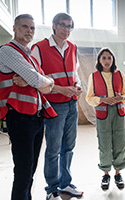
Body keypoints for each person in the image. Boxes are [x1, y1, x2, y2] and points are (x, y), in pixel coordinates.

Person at [0, 14, 57, 200]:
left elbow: (47, 85)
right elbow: (38, 80)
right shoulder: (8, 51)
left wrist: (44, 81)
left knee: (30, 170)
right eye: (24, 26)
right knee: (23, 171)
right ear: (14, 28)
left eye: (32, 28)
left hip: (36, 117)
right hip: (20, 117)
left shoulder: (30, 58)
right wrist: (40, 81)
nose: (29, 31)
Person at [31, 13, 83, 200]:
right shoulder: (39, 48)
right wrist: (61, 90)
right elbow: (36, 80)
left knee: (69, 147)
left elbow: (74, 74)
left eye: (70, 26)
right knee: (53, 149)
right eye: (62, 25)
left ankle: (65, 183)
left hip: (72, 104)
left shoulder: (73, 47)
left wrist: (76, 87)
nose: (66, 30)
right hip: (53, 104)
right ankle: (51, 189)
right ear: (54, 25)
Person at [86, 48, 125, 190]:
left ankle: (118, 173)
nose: (106, 61)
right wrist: (102, 99)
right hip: (103, 114)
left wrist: (122, 98)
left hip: (119, 113)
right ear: (99, 60)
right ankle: (106, 174)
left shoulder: (120, 74)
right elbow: (89, 98)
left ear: (113, 60)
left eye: (109, 58)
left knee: (120, 143)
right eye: (103, 58)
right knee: (104, 144)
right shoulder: (93, 76)